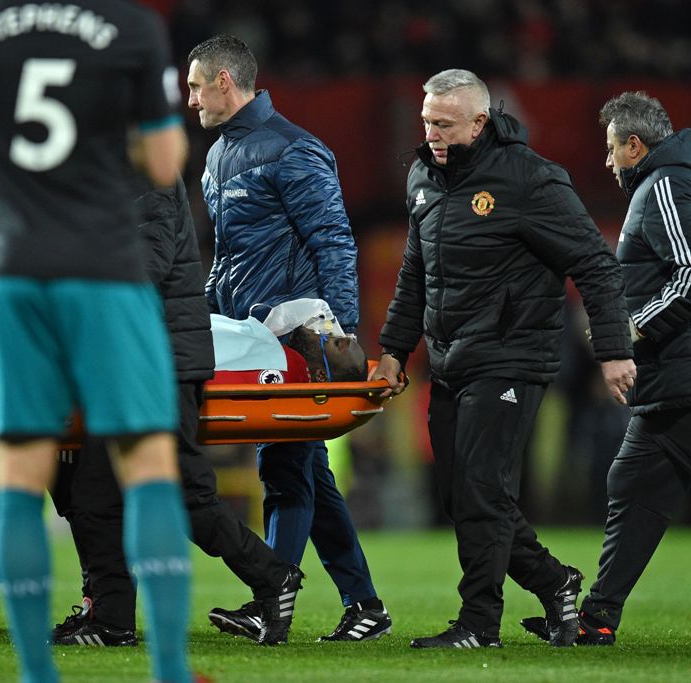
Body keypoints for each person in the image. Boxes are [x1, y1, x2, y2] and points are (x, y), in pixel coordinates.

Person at [0, 2, 197, 683]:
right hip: (108, 271)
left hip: (17, 276)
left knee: (21, 472)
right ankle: (169, 669)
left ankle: (35, 673)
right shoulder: (134, 28)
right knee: (147, 463)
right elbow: (165, 160)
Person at [371, 68, 636, 649]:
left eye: (444, 123)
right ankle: (553, 580)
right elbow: (415, 275)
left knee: (483, 489)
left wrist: (613, 351)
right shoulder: (422, 177)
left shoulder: (531, 180)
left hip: (512, 355)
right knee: (459, 494)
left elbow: (595, 264)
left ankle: (478, 625)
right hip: (448, 360)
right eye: (426, 122)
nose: (432, 134)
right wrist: (393, 352)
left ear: (480, 121)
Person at [187, 34, 390, 642]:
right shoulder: (219, 155)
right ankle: (365, 605)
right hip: (251, 338)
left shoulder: (295, 150)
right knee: (307, 475)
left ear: (227, 81)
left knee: (283, 467)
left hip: (300, 340)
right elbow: (230, 260)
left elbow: (333, 238)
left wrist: (344, 330)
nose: (190, 97)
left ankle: (270, 598)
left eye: (197, 85)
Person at [48, 175, 303, 648]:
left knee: (175, 496)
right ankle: (113, 620)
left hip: (156, 364)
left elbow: (143, 268)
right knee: (99, 495)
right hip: (132, 363)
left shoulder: (146, 177)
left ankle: (270, 577)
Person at [526, 91, 691, 646]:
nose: (606, 161)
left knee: (632, 481)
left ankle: (597, 615)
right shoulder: (663, 183)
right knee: (632, 481)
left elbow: (689, 276)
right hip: (673, 383)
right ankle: (597, 616)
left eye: (611, 148)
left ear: (635, 145)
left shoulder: (665, 184)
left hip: (684, 379)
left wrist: (633, 327)